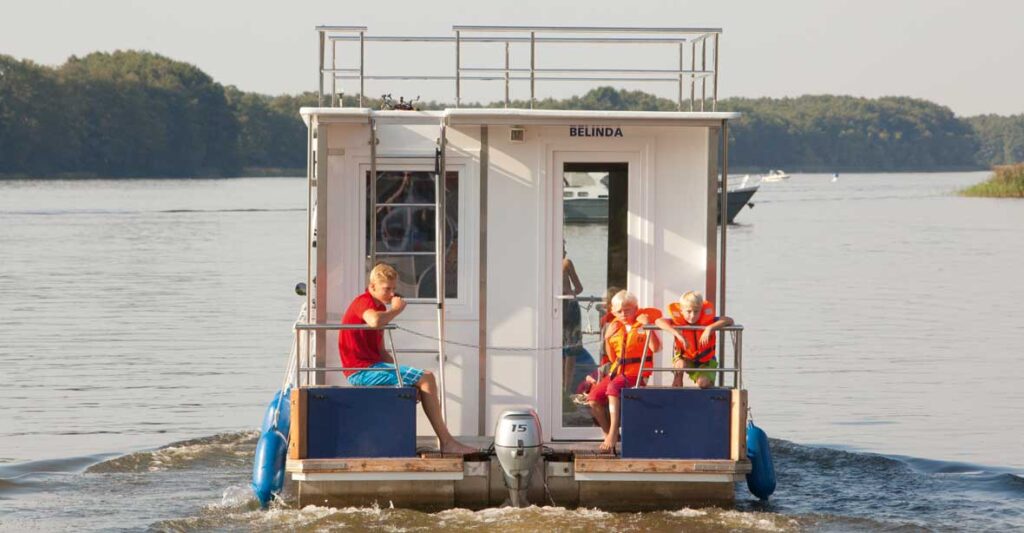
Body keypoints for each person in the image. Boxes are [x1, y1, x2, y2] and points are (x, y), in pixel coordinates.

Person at [339, 263, 476, 455]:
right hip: (361, 371)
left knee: (417, 385)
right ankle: (447, 442)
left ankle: (399, 442)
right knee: (427, 377)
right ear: (372, 288)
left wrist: (401, 376)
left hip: (372, 367)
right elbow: (374, 321)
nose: (392, 294)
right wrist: (396, 310)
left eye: (394, 289)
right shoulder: (365, 301)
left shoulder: (379, 307)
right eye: (387, 289)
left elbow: (380, 351)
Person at [587, 290, 661, 454]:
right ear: (613, 312)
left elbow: (656, 348)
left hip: (637, 374)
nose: (623, 314)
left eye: (627, 310)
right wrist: (607, 338)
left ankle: (613, 433)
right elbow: (613, 358)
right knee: (593, 398)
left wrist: (648, 326)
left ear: (636, 308)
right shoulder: (614, 327)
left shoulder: (643, 324)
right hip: (618, 372)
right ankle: (608, 435)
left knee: (613, 388)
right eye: (619, 311)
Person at [655, 291, 734, 389]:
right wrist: (676, 333)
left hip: (706, 361)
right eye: (688, 311)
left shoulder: (708, 320)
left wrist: (709, 328)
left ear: (701, 310)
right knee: (680, 364)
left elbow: (729, 320)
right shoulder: (678, 321)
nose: (692, 316)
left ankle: (705, 385)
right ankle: (678, 379)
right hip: (686, 358)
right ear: (681, 311)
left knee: (703, 383)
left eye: (696, 311)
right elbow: (658, 321)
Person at [562, 242, 585, 393]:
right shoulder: (563, 263)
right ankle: (562, 388)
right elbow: (579, 288)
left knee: (565, 349)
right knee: (564, 349)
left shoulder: (565, 263)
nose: (565, 251)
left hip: (564, 308)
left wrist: (567, 292)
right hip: (563, 307)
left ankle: (563, 387)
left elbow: (579, 287)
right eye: (562, 248)